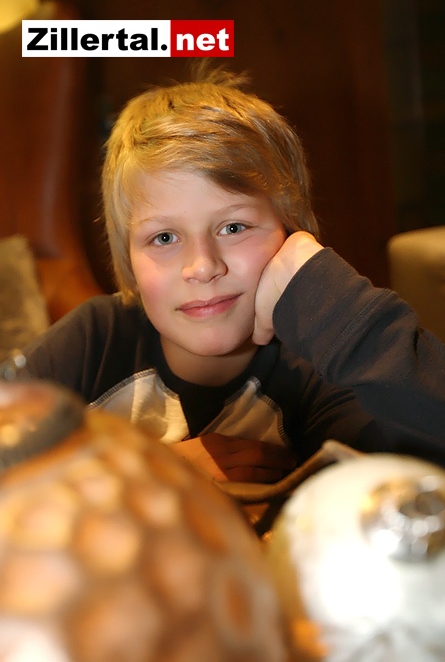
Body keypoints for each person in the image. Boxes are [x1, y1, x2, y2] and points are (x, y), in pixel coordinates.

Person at [21, 65, 445, 482]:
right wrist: (155, 470)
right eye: (164, 237)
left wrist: (331, 300)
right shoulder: (94, 342)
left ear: (291, 233)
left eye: (234, 228)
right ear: (128, 259)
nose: (203, 266)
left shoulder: (315, 374)